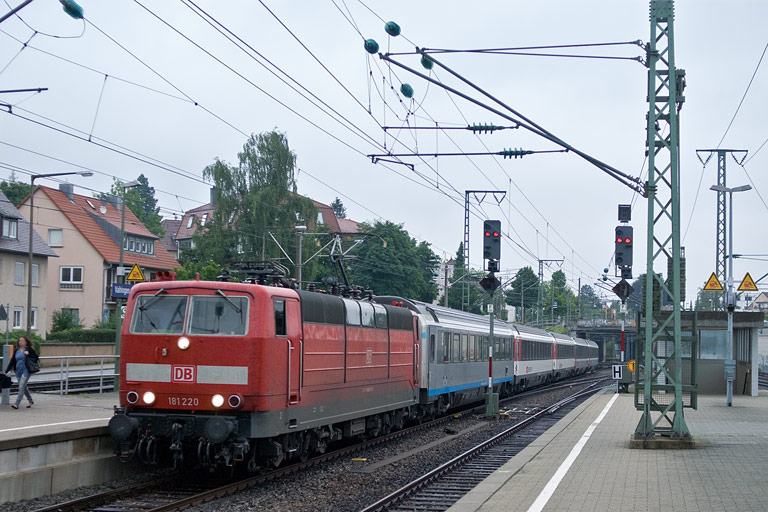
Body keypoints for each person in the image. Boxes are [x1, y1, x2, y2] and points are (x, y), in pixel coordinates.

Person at [5, 335, 38, 409]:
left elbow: (36, 357)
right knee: (23, 387)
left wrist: (28, 354)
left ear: (26, 342)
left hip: (26, 370)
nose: (21, 342)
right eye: (19, 340)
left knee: (21, 386)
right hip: (18, 370)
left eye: (22, 340)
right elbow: (12, 361)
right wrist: (6, 371)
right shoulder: (16, 350)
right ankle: (30, 400)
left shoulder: (29, 349)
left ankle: (17, 403)